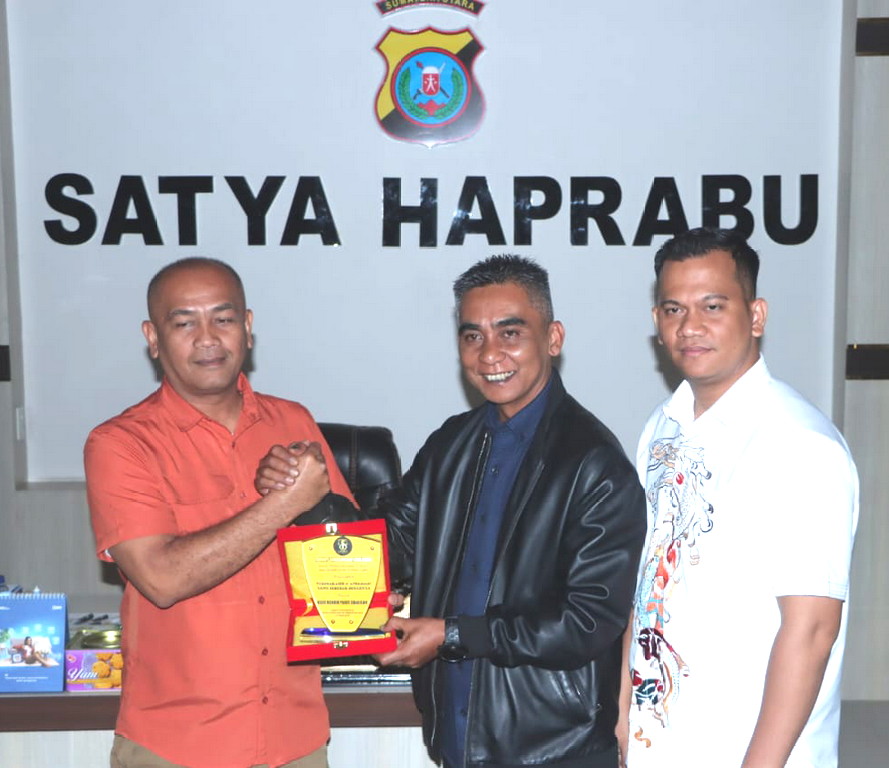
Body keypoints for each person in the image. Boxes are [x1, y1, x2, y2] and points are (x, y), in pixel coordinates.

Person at [262, 254, 645, 768]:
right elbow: (390, 547)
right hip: (457, 742)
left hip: (555, 750)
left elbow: (588, 620)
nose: (489, 354)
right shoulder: (452, 445)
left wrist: (452, 635)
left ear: (553, 338)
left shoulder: (595, 464)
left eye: (510, 333)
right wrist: (308, 497)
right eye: (472, 336)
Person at [85, 257, 355, 768]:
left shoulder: (293, 421)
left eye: (223, 319)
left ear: (247, 327)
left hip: (294, 739)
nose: (208, 338)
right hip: (177, 746)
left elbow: (347, 560)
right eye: (184, 323)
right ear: (153, 337)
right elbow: (162, 578)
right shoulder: (120, 444)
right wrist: (281, 505)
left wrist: (363, 577)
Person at [620, 228, 859, 768]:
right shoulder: (662, 427)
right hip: (661, 745)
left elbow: (812, 630)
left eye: (712, 306)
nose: (690, 326)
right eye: (674, 309)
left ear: (756, 316)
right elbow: (647, 582)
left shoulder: (800, 444)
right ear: (657, 321)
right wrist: (622, 713)